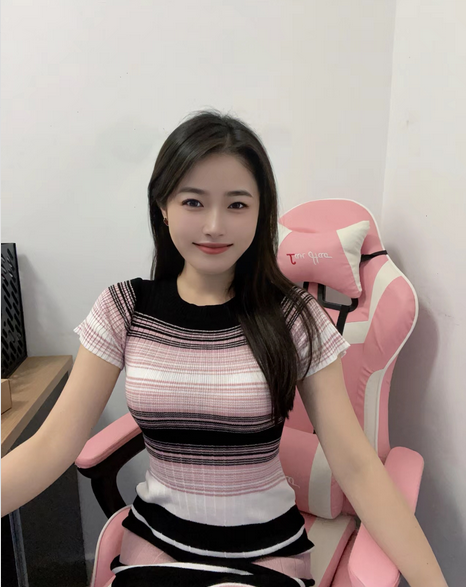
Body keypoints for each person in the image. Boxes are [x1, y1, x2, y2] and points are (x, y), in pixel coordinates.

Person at [1, 109, 448, 587]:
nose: (215, 226)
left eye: (237, 205)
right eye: (193, 202)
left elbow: (356, 466)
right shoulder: (124, 308)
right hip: (157, 545)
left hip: (263, 555)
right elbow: (52, 445)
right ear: (163, 205)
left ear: (260, 212)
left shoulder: (294, 317)